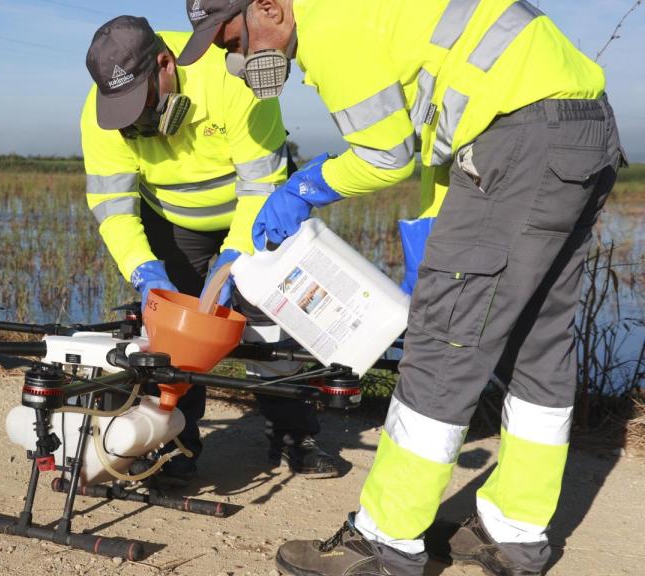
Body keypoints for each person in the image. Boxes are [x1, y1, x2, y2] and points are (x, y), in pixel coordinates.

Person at [179, 0, 625, 574]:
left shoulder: (328, 24)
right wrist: (429, 227)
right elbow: (447, 120)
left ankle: (385, 542)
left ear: (268, 6)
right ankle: (513, 530)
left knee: (441, 348)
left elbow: (384, 156)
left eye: (231, 41)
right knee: (537, 345)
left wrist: (304, 186)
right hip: (578, 132)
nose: (236, 59)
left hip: (517, 139)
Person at [82, 15, 341, 484]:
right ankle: (176, 443)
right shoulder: (104, 114)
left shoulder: (231, 76)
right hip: (173, 221)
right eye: (124, 117)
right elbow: (112, 204)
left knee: (275, 320)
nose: (137, 125)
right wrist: (144, 271)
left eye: (142, 108)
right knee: (173, 336)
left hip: (255, 212)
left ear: (165, 64)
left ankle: (293, 435)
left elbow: (261, 184)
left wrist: (234, 256)